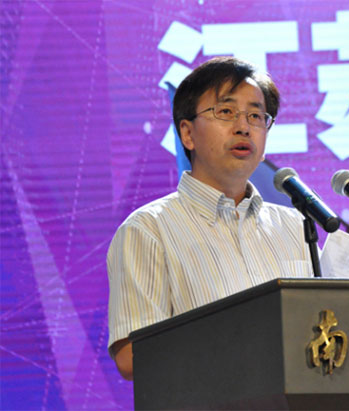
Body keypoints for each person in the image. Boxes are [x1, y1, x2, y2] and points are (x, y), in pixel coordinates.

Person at [106, 57, 313, 380]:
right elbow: (131, 357)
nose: (244, 126)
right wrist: (242, 338)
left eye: (256, 115)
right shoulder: (148, 230)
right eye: (226, 112)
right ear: (187, 134)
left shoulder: (296, 227)